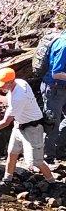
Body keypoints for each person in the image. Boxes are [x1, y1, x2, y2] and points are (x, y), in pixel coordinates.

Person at [0, 67, 56, 188]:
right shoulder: (19, 83)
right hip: (19, 125)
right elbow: (11, 100)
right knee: (12, 152)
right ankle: (7, 180)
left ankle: (53, 183)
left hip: (33, 128)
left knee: (36, 161)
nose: (0, 87)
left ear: (9, 82)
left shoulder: (19, 96)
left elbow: (5, 122)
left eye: (2, 84)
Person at [35, 29, 66, 161]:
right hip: (53, 89)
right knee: (52, 123)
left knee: (55, 122)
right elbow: (56, 73)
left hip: (62, 87)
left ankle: (58, 149)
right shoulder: (63, 45)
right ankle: (47, 156)